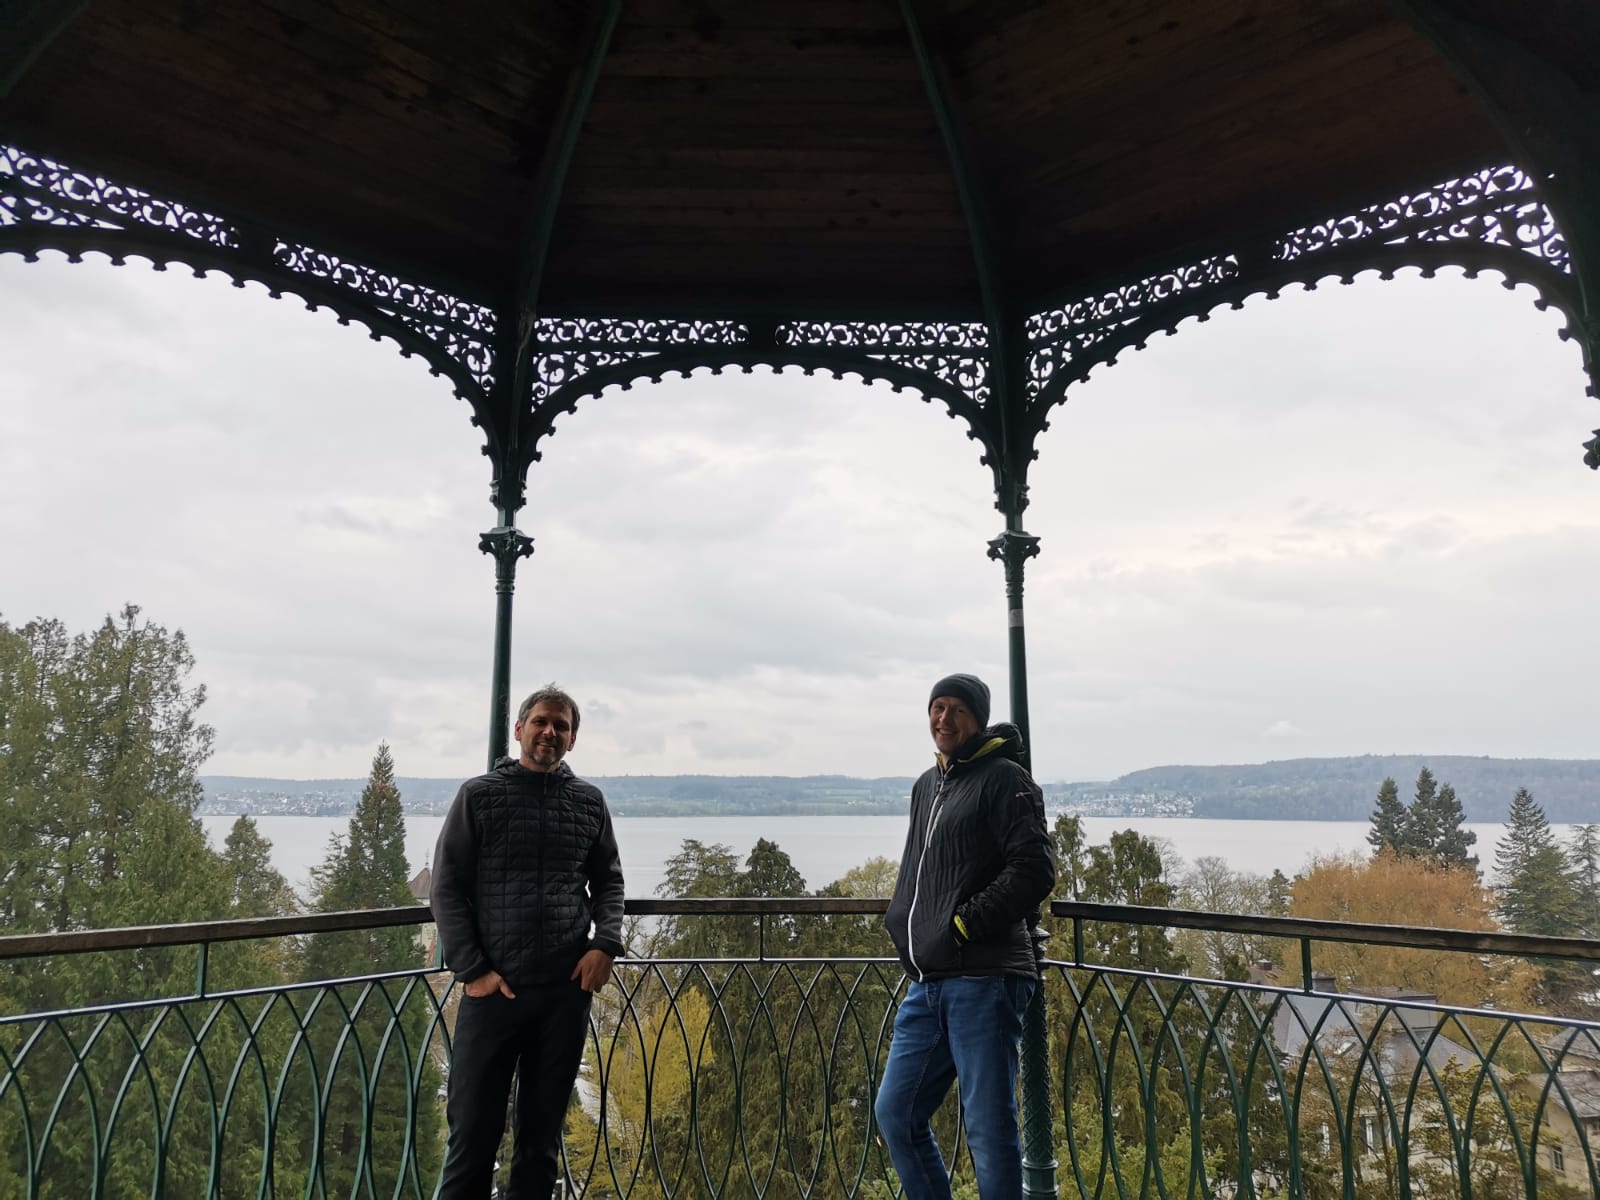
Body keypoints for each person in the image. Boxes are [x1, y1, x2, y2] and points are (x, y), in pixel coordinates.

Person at [431, 683, 626, 1200]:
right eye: (541, 721)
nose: (549, 732)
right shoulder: (479, 796)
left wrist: (604, 945)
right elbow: (445, 887)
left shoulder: (589, 802)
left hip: (564, 995)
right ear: (519, 729)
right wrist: (473, 970)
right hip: (494, 993)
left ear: (573, 738)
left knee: (540, 1145)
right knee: (472, 1139)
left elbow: (609, 881)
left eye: (561, 725)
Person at [877, 673, 1056, 1200]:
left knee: (988, 1131)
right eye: (938, 707)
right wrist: (903, 923)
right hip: (928, 978)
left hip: (985, 976)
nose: (944, 718)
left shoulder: (1004, 778)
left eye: (958, 709)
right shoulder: (927, 785)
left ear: (977, 719)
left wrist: (963, 924)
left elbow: (1034, 870)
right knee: (896, 1113)